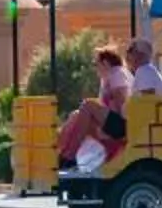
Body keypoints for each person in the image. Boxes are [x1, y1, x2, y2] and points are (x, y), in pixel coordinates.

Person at [53, 46, 131, 175]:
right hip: (112, 122)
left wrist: (100, 124)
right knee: (75, 115)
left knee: (88, 105)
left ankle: (69, 157)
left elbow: (120, 105)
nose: (95, 68)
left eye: (96, 64)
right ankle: (60, 153)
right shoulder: (106, 78)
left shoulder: (117, 73)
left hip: (122, 125)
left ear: (105, 63)